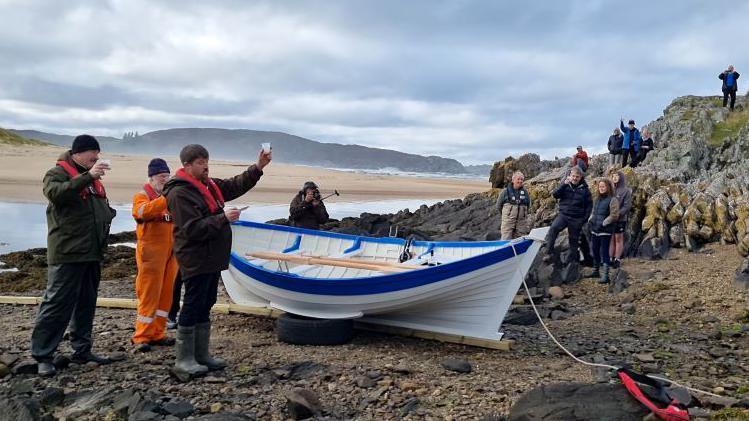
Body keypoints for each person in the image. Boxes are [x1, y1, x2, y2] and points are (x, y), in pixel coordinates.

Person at [164, 144, 271, 377]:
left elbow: (234, 185)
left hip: (212, 256)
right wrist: (222, 218)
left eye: (206, 161)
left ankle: (201, 355)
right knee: (193, 304)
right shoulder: (179, 192)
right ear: (187, 166)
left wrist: (258, 167)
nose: (206, 166)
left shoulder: (208, 185)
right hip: (195, 257)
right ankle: (184, 360)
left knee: (207, 301)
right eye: (200, 163)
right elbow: (191, 229)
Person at [31, 134, 117, 377]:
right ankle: (43, 355)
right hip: (68, 252)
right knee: (57, 303)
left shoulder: (93, 179)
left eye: (98, 153)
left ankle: (82, 350)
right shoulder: (57, 173)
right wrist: (88, 176)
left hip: (92, 252)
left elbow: (97, 208)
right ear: (78, 152)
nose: (96, 157)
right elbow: (56, 194)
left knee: (86, 303)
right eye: (92, 152)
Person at [131, 158, 177, 352]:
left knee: (166, 294)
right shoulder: (142, 196)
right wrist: (166, 198)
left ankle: (158, 332)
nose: (165, 179)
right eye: (161, 176)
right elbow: (141, 213)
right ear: (151, 177)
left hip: (171, 252)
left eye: (167, 176)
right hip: (151, 252)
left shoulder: (171, 198)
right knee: (149, 293)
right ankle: (141, 336)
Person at [544, 166, 592, 264]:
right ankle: (548, 252)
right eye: (573, 176)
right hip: (563, 215)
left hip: (576, 218)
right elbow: (555, 195)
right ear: (570, 175)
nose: (575, 178)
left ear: (581, 177)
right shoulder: (565, 185)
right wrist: (564, 185)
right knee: (553, 228)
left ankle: (572, 262)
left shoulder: (585, 190)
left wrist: (583, 220)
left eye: (577, 177)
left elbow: (589, 206)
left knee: (573, 241)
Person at [588, 178, 619, 284]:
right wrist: (591, 219)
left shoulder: (613, 199)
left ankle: (605, 275)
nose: (601, 188)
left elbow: (614, 215)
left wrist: (604, 223)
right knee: (595, 250)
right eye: (600, 187)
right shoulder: (597, 199)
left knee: (605, 251)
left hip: (605, 230)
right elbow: (594, 211)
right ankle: (596, 270)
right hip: (595, 229)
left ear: (608, 187)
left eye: (603, 186)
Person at [497, 171, 531, 240]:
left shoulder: (525, 192)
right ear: (513, 180)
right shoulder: (505, 192)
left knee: (520, 241)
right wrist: (507, 216)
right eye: (518, 179)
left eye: (521, 179)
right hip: (508, 223)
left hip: (521, 223)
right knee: (505, 241)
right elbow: (498, 206)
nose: (520, 181)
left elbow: (528, 205)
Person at [609, 171, 632, 268]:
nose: (614, 178)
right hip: (610, 219)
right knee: (611, 238)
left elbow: (627, 206)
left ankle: (617, 259)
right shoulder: (610, 190)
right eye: (613, 176)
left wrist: (618, 214)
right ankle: (610, 258)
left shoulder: (626, 191)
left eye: (616, 176)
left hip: (620, 219)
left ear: (621, 178)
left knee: (618, 238)